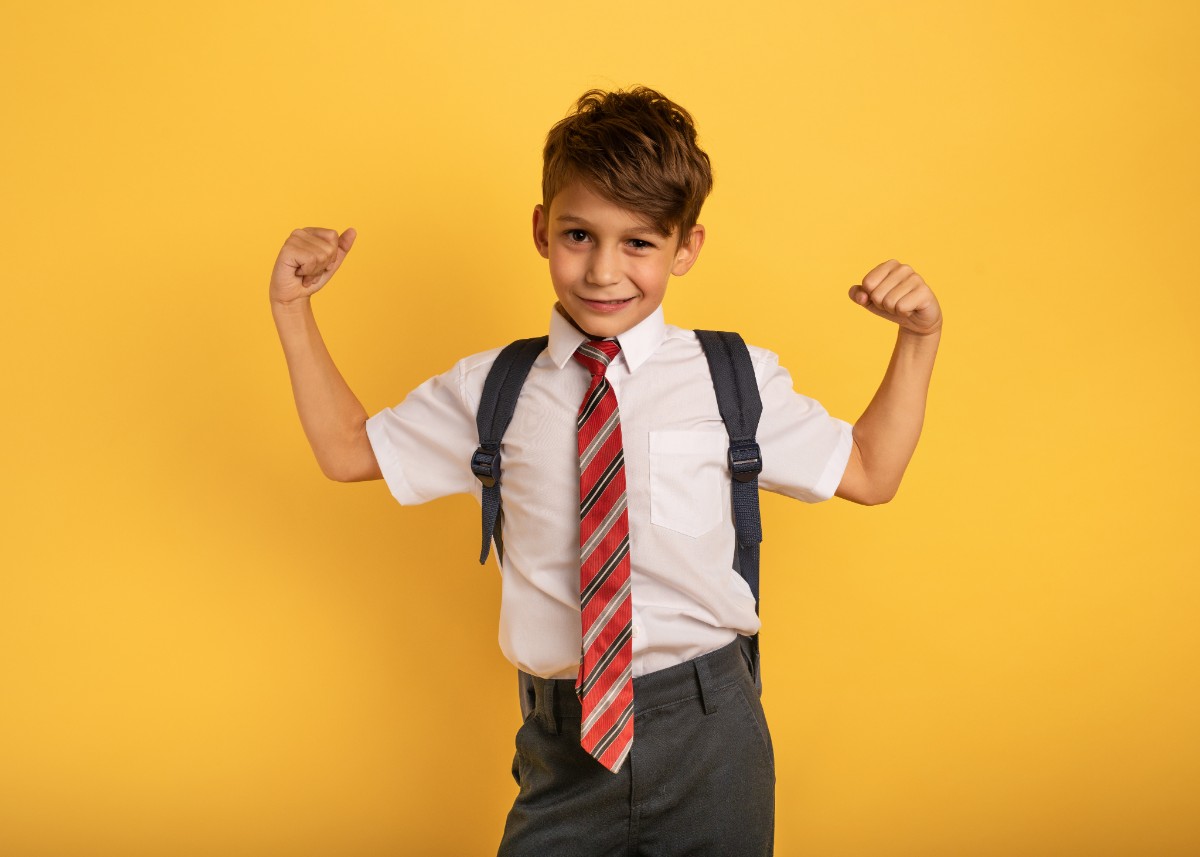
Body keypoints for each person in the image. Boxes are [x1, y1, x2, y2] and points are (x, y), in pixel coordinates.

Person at [268, 85, 942, 856]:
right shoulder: (495, 388)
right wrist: (294, 309)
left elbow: (870, 468)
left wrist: (918, 339)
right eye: (579, 235)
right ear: (540, 229)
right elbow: (349, 448)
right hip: (563, 743)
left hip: (710, 735)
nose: (602, 270)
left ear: (685, 248)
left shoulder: (732, 377)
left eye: (640, 244)